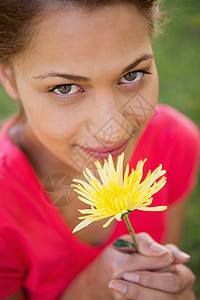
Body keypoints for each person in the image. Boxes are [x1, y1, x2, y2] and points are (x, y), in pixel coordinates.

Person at [0, 0, 199, 299]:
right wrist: (92, 290)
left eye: (132, 75)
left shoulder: (173, 141)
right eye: (64, 88)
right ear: (9, 79)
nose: (115, 130)